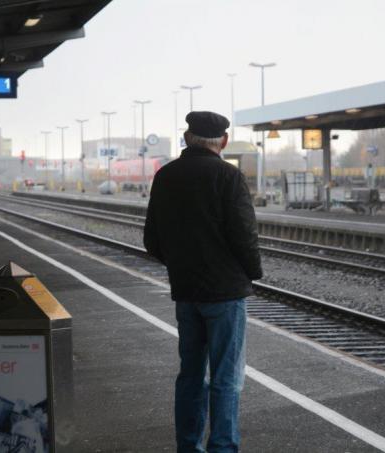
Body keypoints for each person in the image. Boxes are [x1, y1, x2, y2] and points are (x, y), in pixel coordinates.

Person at [144, 111, 262, 453]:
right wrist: (252, 272)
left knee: (191, 375)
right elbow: (244, 236)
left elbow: (152, 240)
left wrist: (183, 265)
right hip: (225, 294)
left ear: (186, 138)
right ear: (223, 141)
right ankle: (222, 447)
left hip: (187, 292)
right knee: (226, 378)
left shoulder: (165, 176)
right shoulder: (229, 177)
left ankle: (188, 446)